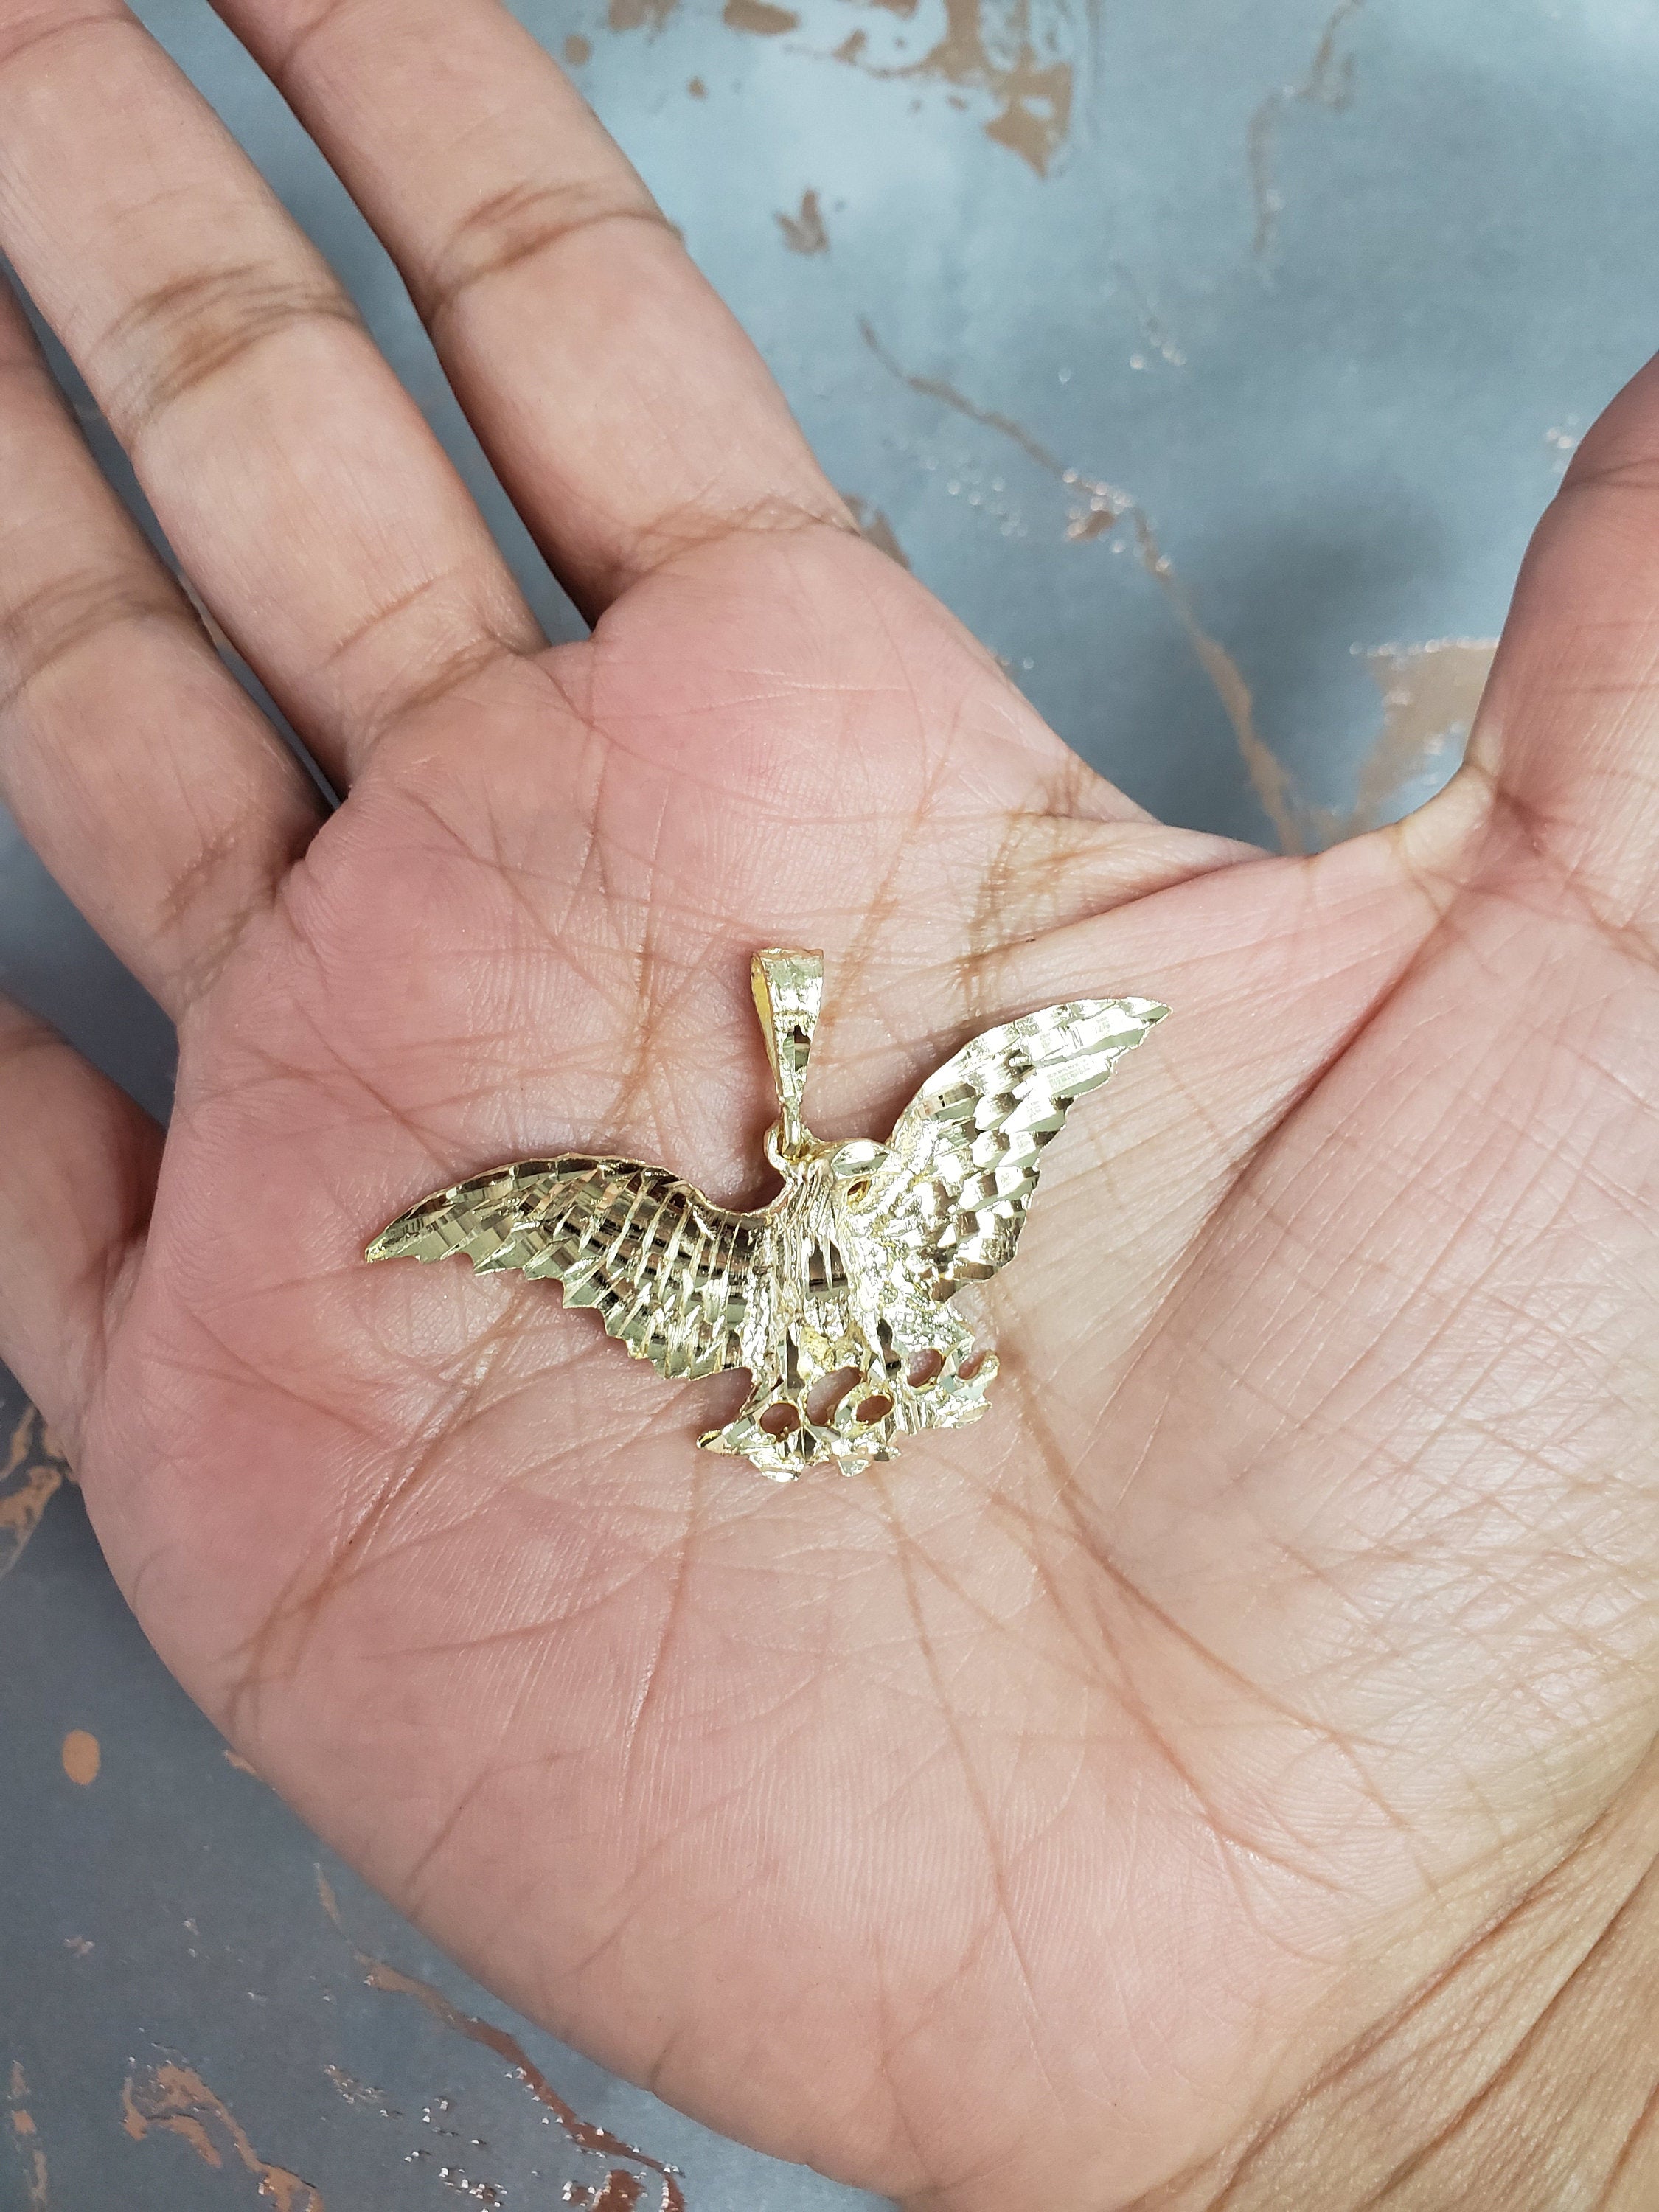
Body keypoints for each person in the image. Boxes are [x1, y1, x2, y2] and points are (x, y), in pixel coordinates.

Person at [0, 1, 1655, 2205]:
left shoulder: (905, 1172)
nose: (818, 1145)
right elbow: (595, 1215)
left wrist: (1520, 2018)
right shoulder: (695, 1239)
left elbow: (981, 1107)